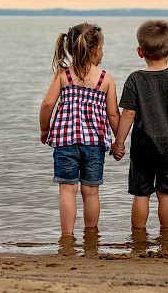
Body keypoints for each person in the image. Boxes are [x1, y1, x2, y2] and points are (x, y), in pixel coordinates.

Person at [112, 19, 168, 232]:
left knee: (141, 195)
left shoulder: (135, 79)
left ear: (140, 52)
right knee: (166, 194)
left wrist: (119, 142)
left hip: (142, 148)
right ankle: (167, 236)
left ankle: (138, 237)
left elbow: (128, 113)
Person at [39, 23, 120, 237]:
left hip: (65, 143)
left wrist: (44, 130)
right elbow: (113, 115)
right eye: (102, 46)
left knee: (67, 190)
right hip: (94, 144)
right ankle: (91, 234)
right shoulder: (105, 79)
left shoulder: (63, 75)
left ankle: (67, 236)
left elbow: (47, 105)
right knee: (91, 192)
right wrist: (118, 141)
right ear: (95, 49)